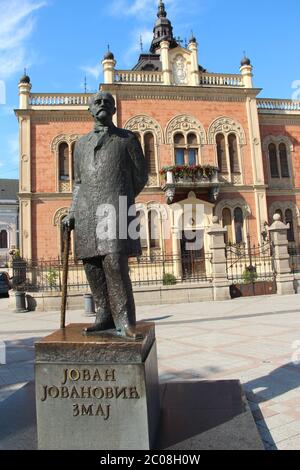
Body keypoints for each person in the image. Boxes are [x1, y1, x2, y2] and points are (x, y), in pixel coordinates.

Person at [63, 91, 148, 339]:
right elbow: (78, 183)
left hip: (114, 208)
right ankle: (103, 316)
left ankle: (125, 321)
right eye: (97, 102)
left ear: (114, 110)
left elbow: (141, 175)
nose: (102, 104)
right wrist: (72, 211)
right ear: (90, 110)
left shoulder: (127, 139)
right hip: (87, 211)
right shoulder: (81, 144)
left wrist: (121, 196)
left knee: (114, 263)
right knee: (92, 265)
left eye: (107, 102)